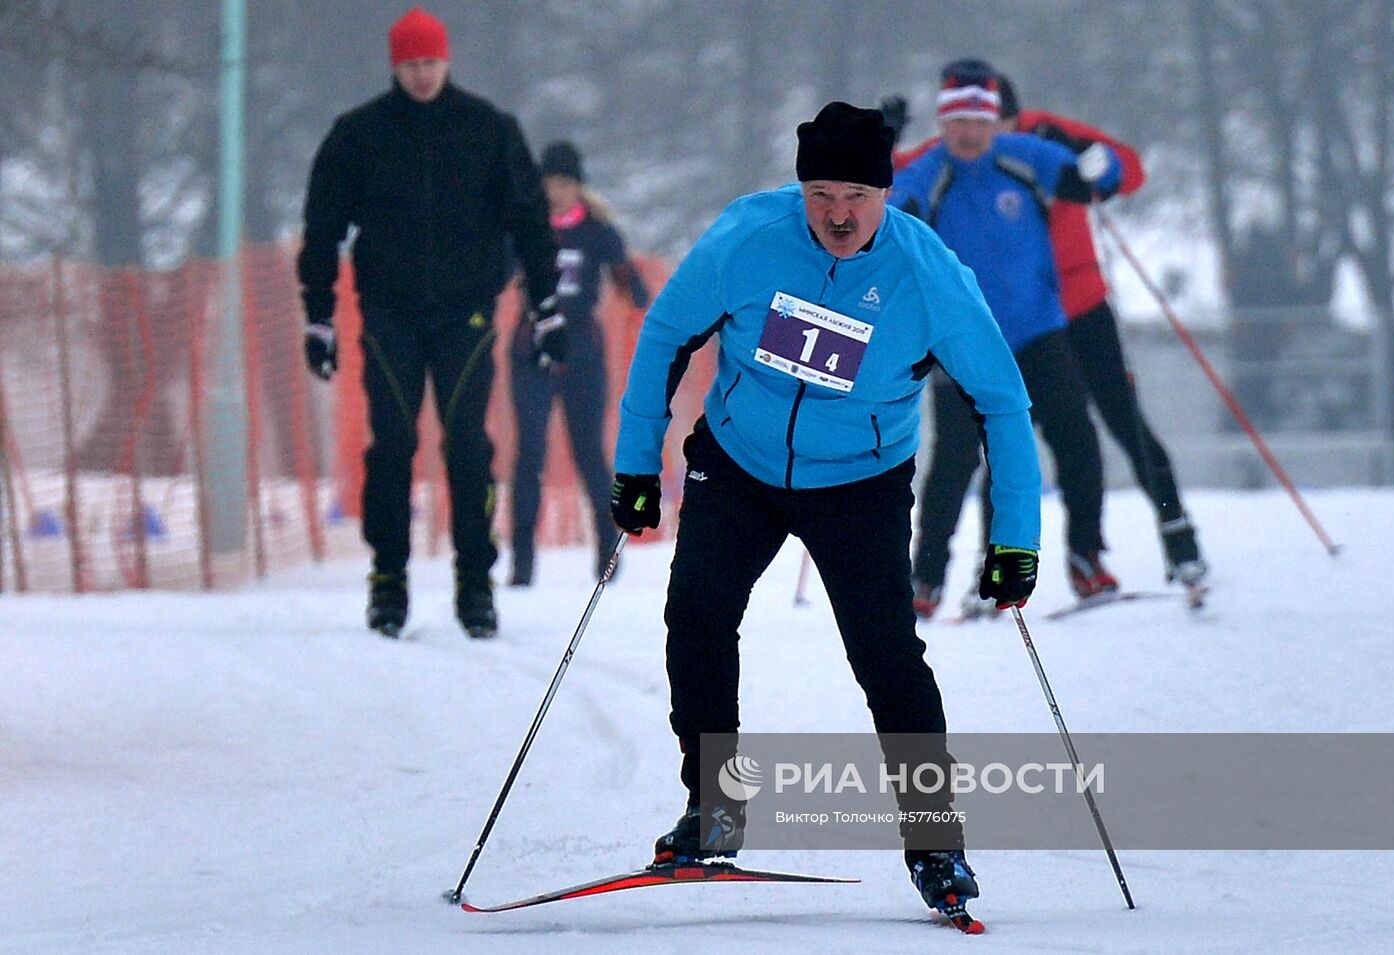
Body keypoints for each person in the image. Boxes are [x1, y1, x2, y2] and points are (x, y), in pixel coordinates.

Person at [609, 102, 1043, 920]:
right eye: (819, 194)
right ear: (798, 189)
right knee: (696, 615)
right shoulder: (747, 238)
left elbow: (1003, 401)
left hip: (860, 479)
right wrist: (637, 464)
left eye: (855, 195)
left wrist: (1016, 538)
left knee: (886, 656)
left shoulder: (926, 272)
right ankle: (718, 805)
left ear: (885, 192)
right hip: (739, 460)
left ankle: (935, 840)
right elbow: (666, 334)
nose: (837, 215)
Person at [296, 6, 564, 639]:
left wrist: (545, 307)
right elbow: (323, 228)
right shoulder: (358, 135)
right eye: (411, 64)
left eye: (431, 63)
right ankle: (388, 578)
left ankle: (475, 582)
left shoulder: (489, 130)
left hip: (466, 312)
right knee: (391, 447)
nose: (422, 75)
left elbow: (530, 220)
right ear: (396, 66)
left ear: (448, 61)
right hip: (388, 312)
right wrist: (319, 318)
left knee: (467, 446)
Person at [893, 72, 1207, 591]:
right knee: (994, 450)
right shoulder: (953, 149)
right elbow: (898, 189)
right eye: (965, 120)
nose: (982, 131)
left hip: (1075, 308)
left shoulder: (1039, 140)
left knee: (1118, 425)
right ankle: (987, 572)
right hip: (999, 323)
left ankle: (1175, 540)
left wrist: (1093, 166)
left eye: (996, 120)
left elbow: (1120, 170)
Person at [889, 60, 1124, 620]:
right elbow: (896, 207)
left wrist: (1093, 157)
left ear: (994, 123)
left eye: (978, 121)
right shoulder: (933, 170)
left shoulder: (1021, 158)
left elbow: (1097, 178)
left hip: (1038, 330)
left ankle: (1085, 560)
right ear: (943, 126)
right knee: (955, 461)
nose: (967, 134)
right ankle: (925, 579)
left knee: (1075, 439)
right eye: (956, 123)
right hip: (963, 340)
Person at [508, 141, 650, 586]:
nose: (556, 192)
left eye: (565, 184)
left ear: (579, 187)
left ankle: (607, 553)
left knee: (589, 452)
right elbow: (496, 270)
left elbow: (629, 281)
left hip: (582, 352)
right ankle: (522, 561)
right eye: (549, 183)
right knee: (529, 451)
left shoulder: (596, 232)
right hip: (531, 348)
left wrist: (633, 286)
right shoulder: (525, 227)